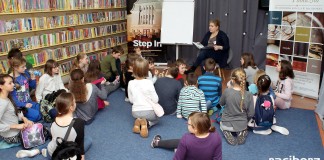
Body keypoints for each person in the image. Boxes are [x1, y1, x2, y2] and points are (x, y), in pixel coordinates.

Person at [0, 74, 47, 158]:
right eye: (10, 83)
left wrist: (24, 118)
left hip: (15, 129)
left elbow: (14, 112)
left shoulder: (7, 97)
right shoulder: (1, 103)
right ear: (1, 86)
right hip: (11, 135)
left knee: (39, 128)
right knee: (43, 133)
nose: (13, 85)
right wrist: (16, 126)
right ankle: (37, 151)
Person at [151, 112, 222, 160]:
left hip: (188, 147)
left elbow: (177, 159)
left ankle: (156, 143)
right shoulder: (216, 137)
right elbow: (218, 158)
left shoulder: (186, 138)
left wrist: (179, 152)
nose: (187, 125)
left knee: (180, 143)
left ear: (196, 129)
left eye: (188, 124)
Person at [47, 92, 92, 159]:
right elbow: (80, 147)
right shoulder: (79, 122)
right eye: (74, 102)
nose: (75, 103)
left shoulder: (54, 118)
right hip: (67, 154)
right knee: (89, 140)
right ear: (71, 107)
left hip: (53, 151)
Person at [219, 68, 254, 145]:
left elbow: (221, 103)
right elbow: (251, 113)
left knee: (221, 123)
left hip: (226, 124)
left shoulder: (227, 91)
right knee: (244, 125)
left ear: (232, 80)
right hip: (242, 125)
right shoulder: (249, 95)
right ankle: (241, 132)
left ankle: (227, 132)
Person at [128, 58, 159, 138]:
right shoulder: (149, 82)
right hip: (149, 113)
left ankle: (138, 121)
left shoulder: (130, 83)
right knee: (157, 119)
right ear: (146, 70)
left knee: (140, 115)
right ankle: (147, 123)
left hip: (135, 113)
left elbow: (131, 100)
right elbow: (156, 100)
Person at [9, 57, 41, 122]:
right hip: (20, 106)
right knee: (37, 115)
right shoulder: (10, 79)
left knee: (41, 110)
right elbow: (12, 98)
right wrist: (24, 105)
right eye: (23, 67)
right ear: (15, 67)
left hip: (29, 101)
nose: (25, 68)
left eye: (25, 66)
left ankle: (26, 118)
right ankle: (20, 120)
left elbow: (32, 86)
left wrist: (33, 79)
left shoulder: (25, 74)